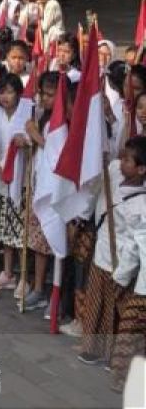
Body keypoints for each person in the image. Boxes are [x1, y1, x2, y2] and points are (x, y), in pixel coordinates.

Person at [78, 136, 146, 376]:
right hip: (102, 252)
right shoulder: (113, 171)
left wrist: (123, 274)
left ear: (141, 169)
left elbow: (135, 244)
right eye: (123, 156)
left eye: (128, 160)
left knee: (119, 311)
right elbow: (92, 188)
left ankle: (115, 355)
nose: (122, 162)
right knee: (96, 301)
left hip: (122, 265)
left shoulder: (141, 203)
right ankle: (92, 347)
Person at [0, 72, 34, 295]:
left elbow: (38, 137)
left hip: (22, 180)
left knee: (21, 230)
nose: (5, 97)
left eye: (10, 92)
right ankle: (7, 272)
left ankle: (24, 276)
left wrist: (26, 142)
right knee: (5, 229)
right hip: (1, 178)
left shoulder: (29, 111)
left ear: (19, 93)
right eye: (1, 92)